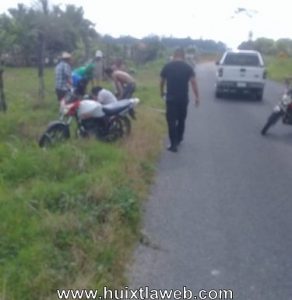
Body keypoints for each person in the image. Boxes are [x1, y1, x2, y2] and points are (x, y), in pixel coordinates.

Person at [160, 47, 200, 152]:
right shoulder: (188, 67)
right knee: (182, 119)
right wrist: (197, 97)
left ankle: (173, 144)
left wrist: (161, 92)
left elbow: (162, 81)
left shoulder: (167, 66)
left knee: (171, 121)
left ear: (174, 55)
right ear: (183, 56)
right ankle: (179, 138)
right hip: (183, 98)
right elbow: (193, 82)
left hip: (171, 98)